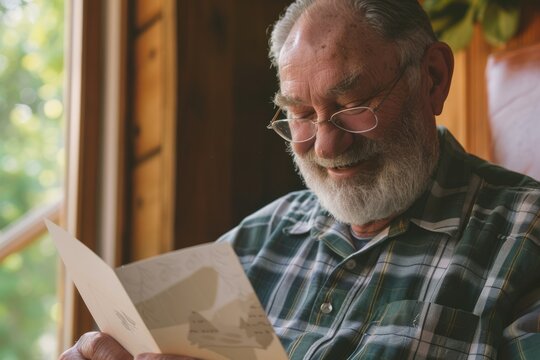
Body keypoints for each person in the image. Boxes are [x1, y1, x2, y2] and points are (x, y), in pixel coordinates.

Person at [61, 0, 540, 359]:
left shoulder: (527, 235)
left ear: (433, 78)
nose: (327, 146)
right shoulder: (256, 241)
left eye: (354, 106)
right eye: (301, 115)